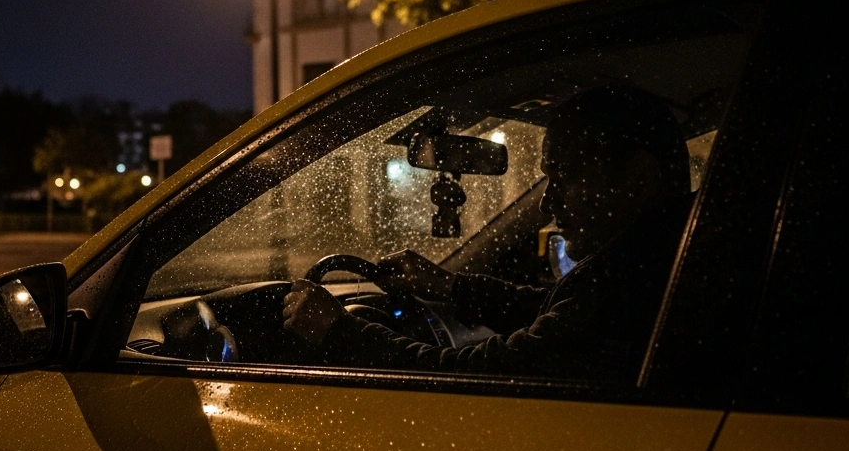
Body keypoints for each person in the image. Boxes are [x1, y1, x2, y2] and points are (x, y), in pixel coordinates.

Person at [282, 85, 695, 381]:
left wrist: (341, 331)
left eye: (564, 177)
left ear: (639, 179)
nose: (548, 204)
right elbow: (556, 312)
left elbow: (475, 377)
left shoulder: (631, 280)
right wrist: (449, 286)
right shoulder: (666, 259)